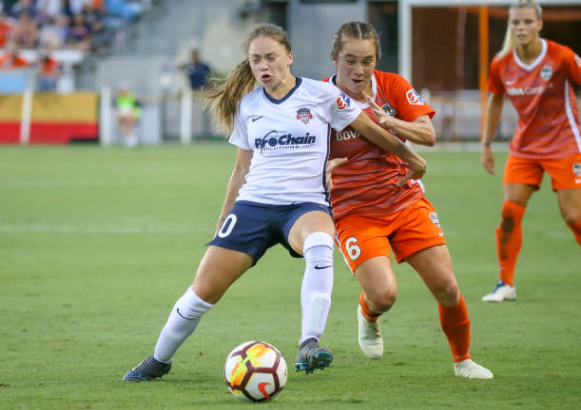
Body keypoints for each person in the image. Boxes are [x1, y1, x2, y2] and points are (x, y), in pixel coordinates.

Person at [122, 23, 427, 382]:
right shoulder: (248, 106)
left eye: (271, 57)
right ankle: (158, 360)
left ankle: (309, 343)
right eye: (255, 60)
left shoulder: (321, 95)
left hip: (305, 206)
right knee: (202, 291)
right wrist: (224, 218)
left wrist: (410, 157)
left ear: (290, 57)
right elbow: (241, 168)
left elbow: (370, 130)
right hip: (253, 207)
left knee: (319, 242)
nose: (263, 66)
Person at [324, 21, 493, 379]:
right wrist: (324, 166)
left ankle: (463, 361)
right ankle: (369, 314)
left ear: (376, 60)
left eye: (367, 61)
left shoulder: (393, 86)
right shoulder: (318, 99)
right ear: (334, 58)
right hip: (354, 211)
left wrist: (390, 121)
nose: (358, 70)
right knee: (384, 295)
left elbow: (427, 135)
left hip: (404, 201)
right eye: (350, 60)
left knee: (447, 286)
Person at [480, 0, 581, 302]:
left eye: (526, 22)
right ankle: (505, 284)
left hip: (565, 144)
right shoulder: (502, 63)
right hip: (524, 148)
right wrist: (486, 145)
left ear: (539, 24)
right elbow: (495, 99)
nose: (521, 28)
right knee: (509, 213)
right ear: (509, 26)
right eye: (515, 23)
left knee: (573, 216)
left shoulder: (561, 57)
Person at [115, 81, 141, 147]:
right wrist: (118, 119)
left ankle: (131, 139)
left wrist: (136, 116)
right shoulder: (119, 98)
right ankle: (129, 139)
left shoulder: (131, 97)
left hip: (130, 115)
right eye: (122, 90)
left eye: (124, 90)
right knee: (122, 127)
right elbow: (118, 109)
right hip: (123, 116)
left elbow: (134, 108)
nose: (123, 91)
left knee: (129, 126)